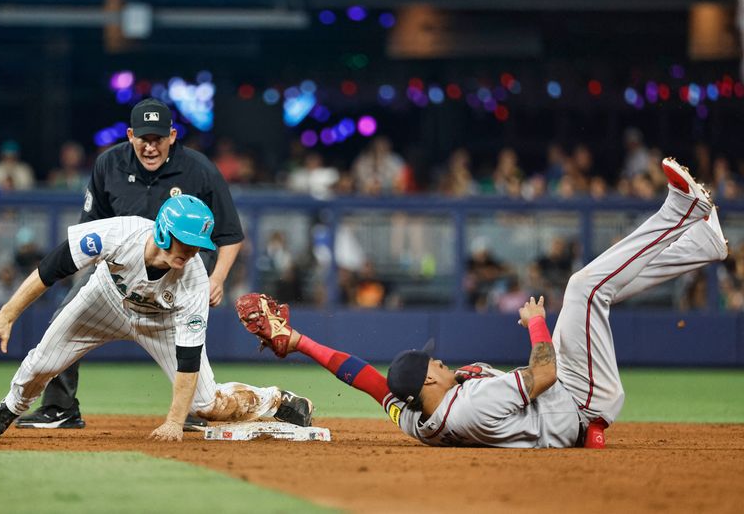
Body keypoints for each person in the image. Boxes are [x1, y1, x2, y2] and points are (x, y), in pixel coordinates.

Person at [235, 158, 728, 448]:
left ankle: (701, 245)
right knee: (584, 288)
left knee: (593, 289)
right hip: (579, 400)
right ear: (429, 379)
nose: (441, 360)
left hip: (564, 405)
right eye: (435, 361)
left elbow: (365, 379)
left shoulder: (416, 416)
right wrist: (537, 325)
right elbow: (543, 376)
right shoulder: (471, 404)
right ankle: (679, 213)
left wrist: (299, 341)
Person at [0, 195, 313, 441]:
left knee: (206, 405)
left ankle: (274, 400)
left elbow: (188, 359)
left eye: (197, 244)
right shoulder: (119, 232)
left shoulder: (194, 279)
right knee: (42, 363)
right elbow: (51, 269)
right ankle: (10, 407)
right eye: (184, 241)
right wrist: (7, 314)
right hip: (104, 299)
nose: (191, 250)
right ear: (163, 230)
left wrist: (176, 421)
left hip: (160, 322)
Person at [17, 97, 245, 431]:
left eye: (157, 138)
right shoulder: (108, 164)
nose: (150, 146)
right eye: (143, 138)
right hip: (119, 266)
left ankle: (193, 407)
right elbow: (89, 227)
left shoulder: (199, 169)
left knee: (189, 331)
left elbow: (230, 233)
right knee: (64, 314)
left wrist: (219, 276)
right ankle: (60, 407)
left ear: (172, 135)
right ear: (129, 135)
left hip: (182, 270)